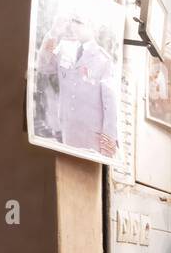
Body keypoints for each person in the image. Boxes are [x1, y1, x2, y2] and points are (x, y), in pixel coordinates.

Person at [35, 13, 119, 158]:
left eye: (79, 22)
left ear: (92, 26)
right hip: (67, 127)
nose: (74, 26)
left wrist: (107, 146)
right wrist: (54, 33)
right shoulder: (65, 47)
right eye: (73, 21)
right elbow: (43, 66)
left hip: (91, 136)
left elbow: (110, 104)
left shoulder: (103, 60)